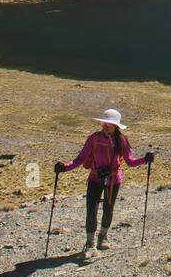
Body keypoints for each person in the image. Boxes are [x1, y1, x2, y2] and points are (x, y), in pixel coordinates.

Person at [55, 109, 153, 258]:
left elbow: (130, 162)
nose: (105, 126)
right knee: (91, 211)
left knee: (108, 209)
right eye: (104, 122)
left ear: (116, 126)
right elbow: (80, 159)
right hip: (95, 178)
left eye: (109, 123)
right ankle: (90, 244)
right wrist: (65, 167)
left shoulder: (121, 141)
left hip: (113, 180)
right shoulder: (93, 138)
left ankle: (103, 236)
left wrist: (145, 160)